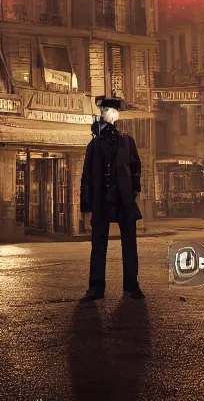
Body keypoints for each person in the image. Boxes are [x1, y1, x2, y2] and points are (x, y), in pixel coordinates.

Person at [80, 96, 146, 302]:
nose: (110, 115)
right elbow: (87, 175)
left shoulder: (127, 142)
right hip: (102, 199)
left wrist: (134, 191)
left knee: (129, 243)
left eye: (112, 111)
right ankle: (96, 287)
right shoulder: (94, 145)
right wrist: (87, 204)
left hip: (123, 198)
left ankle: (131, 285)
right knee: (99, 243)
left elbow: (136, 168)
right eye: (107, 111)